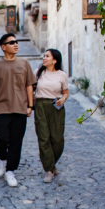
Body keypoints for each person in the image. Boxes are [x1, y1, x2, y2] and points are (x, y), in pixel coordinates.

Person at [0, 33, 37, 187]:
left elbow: (29, 85)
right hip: (1, 108)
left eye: (16, 42)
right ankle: (2, 158)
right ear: (3, 47)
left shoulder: (24, 63)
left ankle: (10, 171)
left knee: (16, 141)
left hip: (20, 108)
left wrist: (30, 105)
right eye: (12, 42)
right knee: (2, 137)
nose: (16, 44)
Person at [34, 49, 69, 183]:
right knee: (44, 138)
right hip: (41, 106)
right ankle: (49, 170)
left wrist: (63, 99)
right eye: (44, 56)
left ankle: (51, 163)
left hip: (56, 107)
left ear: (55, 60)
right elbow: (30, 88)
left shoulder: (62, 75)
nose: (44, 58)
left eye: (47, 56)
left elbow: (66, 93)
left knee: (57, 139)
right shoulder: (38, 73)